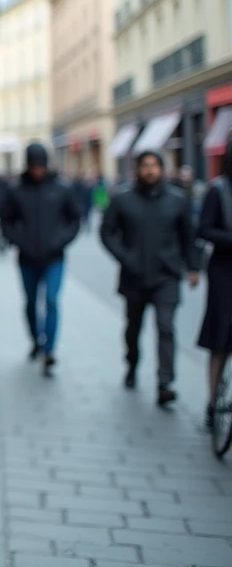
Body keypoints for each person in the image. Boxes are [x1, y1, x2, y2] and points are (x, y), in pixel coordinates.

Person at [98, 151, 199, 407]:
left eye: (155, 166)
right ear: (137, 170)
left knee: (166, 327)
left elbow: (189, 236)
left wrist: (193, 267)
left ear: (162, 169)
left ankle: (165, 382)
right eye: (145, 166)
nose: (150, 171)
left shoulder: (177, 200)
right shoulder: (123, 199)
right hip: (134, 275)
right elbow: (107, 232)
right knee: (133, 328)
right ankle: (132, 364)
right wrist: (125, 256)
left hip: (166, 276)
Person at [0, 142, 82, 376]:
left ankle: (49, 350)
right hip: (27, 258)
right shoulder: (16, 190)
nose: (38, 170)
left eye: (41, 166)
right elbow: (5, 221)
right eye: (34, 166)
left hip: (54, 257)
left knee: (53, 301)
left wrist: (61, 240)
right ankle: (36, 339)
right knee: (30, 302)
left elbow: (75, 220)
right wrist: (19, 240)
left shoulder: (61, 189)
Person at [196, 145, 232, 429]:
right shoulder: (218, 189)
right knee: (220, 338)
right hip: (224, 271)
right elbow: (204, 228)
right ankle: (212, 401)